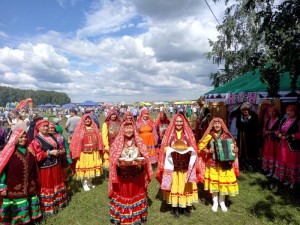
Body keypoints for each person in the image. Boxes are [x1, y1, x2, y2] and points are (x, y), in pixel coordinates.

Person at [108, 121, 153, 225]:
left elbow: (145, 155)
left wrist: (141, 162)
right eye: (126, 128)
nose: (129, 130)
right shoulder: (118, 142)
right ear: (122, 130)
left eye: (130, 128)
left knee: (135, 194)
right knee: (125, 196)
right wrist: (119, 163)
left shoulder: (139, 141)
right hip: (123, 176)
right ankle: (124, 217)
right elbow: (113, 158)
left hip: (137, 175)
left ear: (134, 129)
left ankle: (137, 216)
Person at [156, 114, 199, 217]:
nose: (179, 123)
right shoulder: (170, 135)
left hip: (185, 165)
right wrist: (170, 149)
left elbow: (192, 147)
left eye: (181, 122)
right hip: (173, 166)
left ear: (183, 123)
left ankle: (185, 208)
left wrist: (188, 151)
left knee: (185, 186)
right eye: (177, 121)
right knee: (175, 185)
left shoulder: (188, 135)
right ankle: (175, 208)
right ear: (174, 123)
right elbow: (164, 147)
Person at [0, 129, 42, 224]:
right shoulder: (9, 153)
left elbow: (34, 168)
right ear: (15, 138)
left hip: (30, 186)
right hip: (13, 187)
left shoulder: (30, 151)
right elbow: (3, 171)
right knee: (18, 207)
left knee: (30, 202)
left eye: (24, 137)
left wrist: (36, 182)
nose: (23, 139)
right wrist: (2, 186)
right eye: (20, 137)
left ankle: (31, 220)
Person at [198, 118, 239, 212]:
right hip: (213, 162)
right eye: (215, 124)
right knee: (215, 184)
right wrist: (208, 151)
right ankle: (215, 202)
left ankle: (222, 202)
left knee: (223, 183)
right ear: (212, 125)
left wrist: (235, 150)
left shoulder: (227, 136)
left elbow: (235, 146)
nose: (217, 126)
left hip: (225, 163)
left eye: (219, 124)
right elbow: (200, 146)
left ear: (222, 125)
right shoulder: (209, 135)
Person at [29, 120, 68, 215]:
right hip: (46, 167)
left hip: (56, 164)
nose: (46, 128)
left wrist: (59, 151)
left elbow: (55, 147)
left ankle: (59, 202)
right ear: (38, 128)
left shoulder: (51, 136)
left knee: (57, 182)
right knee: (49, 185)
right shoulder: (36, 140)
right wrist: (49, 153)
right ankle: (49, 206)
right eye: (43, 126)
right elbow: (37, 156)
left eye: (47, 126)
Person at [69, 114, 104, 191]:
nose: (88, 120)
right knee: (85, 168)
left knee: (92, 167)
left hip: (94, 152)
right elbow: (76, 141)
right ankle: (84, 183)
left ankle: (89, 182)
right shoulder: (79, 129)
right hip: (84, 153)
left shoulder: (94, 128)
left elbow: (99, 139)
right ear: (83, 120)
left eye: (89, 119)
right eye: (86, 119)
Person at [274, 105, 300, 188]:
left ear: (295, 112)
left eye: (291, 111)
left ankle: (293, 181)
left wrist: (291, 136)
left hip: (293, 146)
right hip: (283, 145)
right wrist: (279, 135)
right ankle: (286, 179)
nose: (289, 112)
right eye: (288, 111)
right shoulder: (283, 120)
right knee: (284, 162)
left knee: (292, 163)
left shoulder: (298, 121)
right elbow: (277, 130)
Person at [48, 122, 73, 193]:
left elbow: (66, 146)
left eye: (52, 128)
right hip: (51, 159)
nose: (50, 129)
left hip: (62, 158)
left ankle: (65, 189)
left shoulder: (60, 137)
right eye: (49, 128)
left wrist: (67, 153)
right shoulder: (45, 137)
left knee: (64, 173)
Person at [236, 102, 260, 171]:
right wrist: (244, 126)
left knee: (251, 151)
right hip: (241, 136)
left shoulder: (254, 116)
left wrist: (245, 127)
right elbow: (238, 125)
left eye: (247, 109)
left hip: (251, 137)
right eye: (244, 110)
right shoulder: (239, 116)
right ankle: (243, 166)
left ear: (249, 110)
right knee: (241, 150)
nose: (245, 111)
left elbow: (255, 126)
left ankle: (252, 166)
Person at [262, 107, 280, 177]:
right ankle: (269, 169)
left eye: (273, 112)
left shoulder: (279, 120)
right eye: (270, 112)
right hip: (268, 141)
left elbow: (279, 130)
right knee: (268, 154)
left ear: (276, 112)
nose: (271, 113)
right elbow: (264, 128)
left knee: (274, 154)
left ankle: (274, 171)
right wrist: (265, 132)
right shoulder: (268, 120)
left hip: (274, 141)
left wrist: (271, 132)